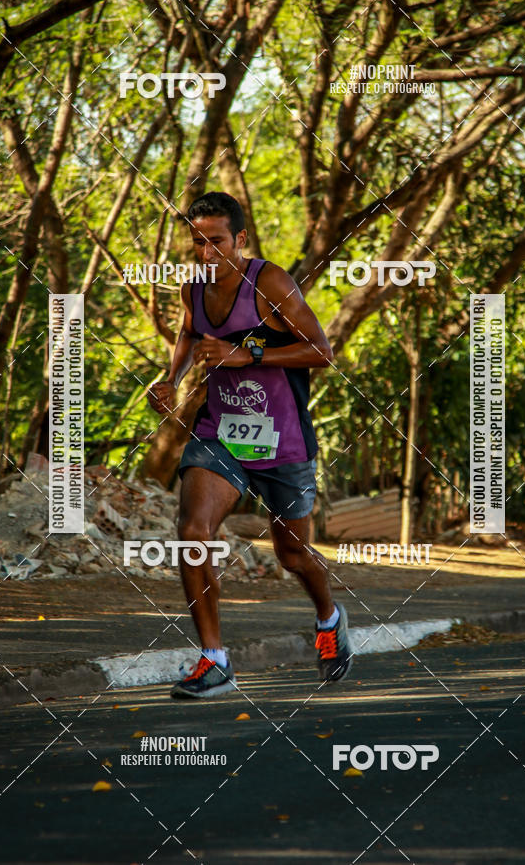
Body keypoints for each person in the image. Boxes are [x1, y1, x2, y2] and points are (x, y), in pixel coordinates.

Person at [147, 191, 353, 699]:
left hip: (283, 438)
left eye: (216, 241)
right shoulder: (192, 288)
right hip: (221, 431)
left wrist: (246, 353)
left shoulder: (270, 282)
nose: (206, 253)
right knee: (194, 530)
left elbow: (320, 351)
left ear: (239, 239)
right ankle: (214, 660)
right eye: (197, 242)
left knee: (292, 554)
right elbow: (190, 334)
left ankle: (329, 620)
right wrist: (171, 378)